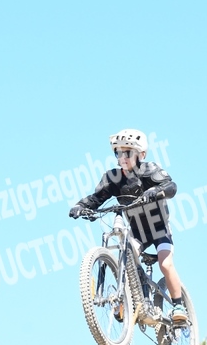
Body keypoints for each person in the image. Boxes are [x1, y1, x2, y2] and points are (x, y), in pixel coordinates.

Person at [69, 128, 189, 322]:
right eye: (118, 153)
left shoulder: (150, 170)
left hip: (159, 228)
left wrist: (155, 191)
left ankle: (178, 306)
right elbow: (96, 198)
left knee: (165, 264)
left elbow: (171, 186)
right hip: (138, 231)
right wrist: (81, 206)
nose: (122, 157)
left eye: (128, 152)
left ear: (141, 155)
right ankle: (125, 299)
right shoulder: (113, 179)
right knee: (125, 258)